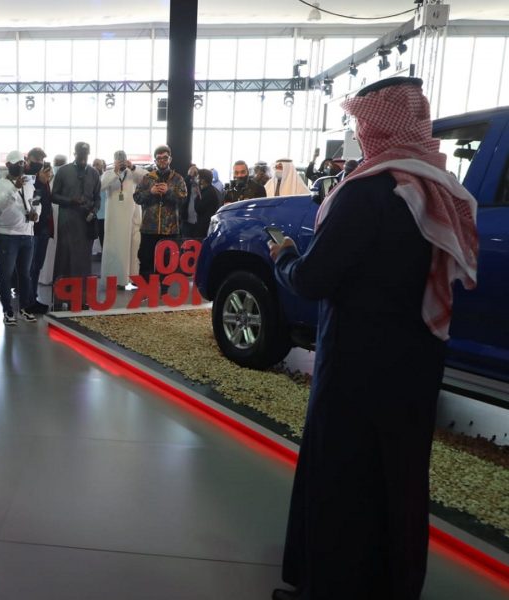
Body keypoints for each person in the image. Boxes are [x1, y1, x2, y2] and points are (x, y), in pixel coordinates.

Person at [268, 77, 479, 600]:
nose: (360, 132)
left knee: (343, 472)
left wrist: (285, 257)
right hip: (417, 358)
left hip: (357, 359)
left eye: (363, 122)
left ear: (377, 125)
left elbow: (314, 279)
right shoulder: (439, 187)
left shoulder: (369, 191)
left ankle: (329, 587)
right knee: (399, 474)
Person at [0, 150, 40, 325]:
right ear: (8, 165)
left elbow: (35, 202)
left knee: (25, 274)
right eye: (17, 163)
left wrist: (36, 214)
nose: (21, 166)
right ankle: (8, 310)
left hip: (27, 234)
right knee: (6, 274)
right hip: (7, 235)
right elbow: (1, 205)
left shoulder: (29, 183)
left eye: (22, 163)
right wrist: (15, 188)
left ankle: (25, 308)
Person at [50, 141, 101, 309]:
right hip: (67, 223)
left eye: (85, 155)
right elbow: (53, 196)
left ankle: (80, 300)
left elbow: (97, 198)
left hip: (86, 225)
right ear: (74, 154)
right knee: (64, 260)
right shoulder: (64, 171)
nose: (83, 158)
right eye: (80, 154)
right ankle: (59, 300)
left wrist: (94, 210)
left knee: (83, 263)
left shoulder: (93, 173)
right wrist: (70, 201)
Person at [134, 145, 187, 282]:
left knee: (168, 262)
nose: (162, 161)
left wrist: (169, 192)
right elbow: (137, 198)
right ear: (155, 160)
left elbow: (183, 199)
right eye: (159, 158)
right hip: (149, 228)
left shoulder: (178, 179)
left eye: (165, 158)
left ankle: (165, 289)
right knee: (146, 260)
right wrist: (150, 192)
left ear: (170, 159)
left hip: (170, 229)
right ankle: (146, 288)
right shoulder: (147, 178)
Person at [100, 150, 144, 287]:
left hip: (132, 219)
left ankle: (133, 278)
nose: (121, 162)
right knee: (114, 249)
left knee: (134, 249)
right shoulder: (108, 173)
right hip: (114, 221)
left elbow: (147, 178)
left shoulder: (133, 173)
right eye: (118, 159)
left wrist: (133, 167)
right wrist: (115, 172)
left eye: (123, 159)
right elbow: (101, 186)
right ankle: (114, 280)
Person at [23, 147, 54, 314]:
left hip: (43, 227)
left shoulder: (43, 177)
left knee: (37, 266)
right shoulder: (25, 176)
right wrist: (40, 182)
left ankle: (31, 297)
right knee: (31, 266)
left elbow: (45, 199)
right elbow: (32, 198)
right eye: (36, 159)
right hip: (31, 228)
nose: (39, 162)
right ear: (28, 159)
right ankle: (28, 300)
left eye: (41, 160)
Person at [182, 168, 220, 239]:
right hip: (198, 224)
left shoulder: (208, 192)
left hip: (204, 227)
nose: (197, 179)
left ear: (203, 180)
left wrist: (197, 195)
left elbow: (198, 208)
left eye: (198, 177)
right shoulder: (208, 190)